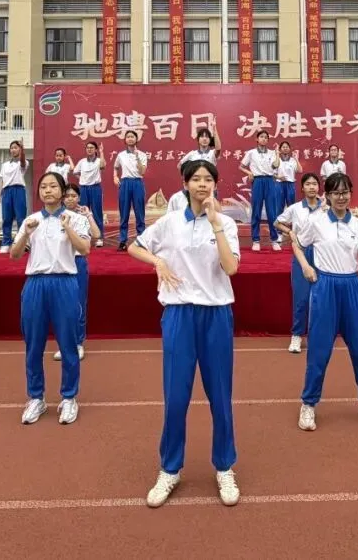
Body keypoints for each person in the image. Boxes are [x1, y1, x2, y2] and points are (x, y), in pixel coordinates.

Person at [129, 160, 242, 508]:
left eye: (208, 179)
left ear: (215, 185)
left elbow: (231, 268)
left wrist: (216, 224)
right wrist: (158, 262)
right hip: (179, 314)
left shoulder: (226, 224)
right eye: (196, 179)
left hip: (216, 314)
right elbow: (134, 246)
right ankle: (170, 468)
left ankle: (224, 466)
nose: (202, 184)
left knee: (220, 396)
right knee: (176, 397)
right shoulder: (170, 222)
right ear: (185, 183)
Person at [292, 172, 358, 431]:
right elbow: (297, 243)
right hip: (325, 287)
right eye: (336, 193)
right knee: (319, 350)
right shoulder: (317, 222)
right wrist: (306, 267)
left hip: (352, 286)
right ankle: (308, 404)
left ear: (350, 193)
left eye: (345, 192)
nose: (341, 197)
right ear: (328, 195)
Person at [13, 171, 91, 426]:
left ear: (62, 190)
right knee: (33, 345)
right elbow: (14, 254)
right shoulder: (31, 219)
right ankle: (36, 397)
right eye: (43, 187)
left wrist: (67, 227)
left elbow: (85, 249)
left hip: (64, 282)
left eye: (53, 186)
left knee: (68, 344)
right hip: (35, 284)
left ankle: (69, 397)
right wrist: (26, 234)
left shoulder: (76, 219)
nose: (47, 190)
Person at [274, 172, 324, 354]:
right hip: (301, 254)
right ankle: (296, 335)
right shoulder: (295, 208)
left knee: (320, 298)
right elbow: (277, 222)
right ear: (302, 188)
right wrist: (290, 232)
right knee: (301, 298)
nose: (312, 187)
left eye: (314, 184)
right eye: (308, 184)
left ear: (319, 187)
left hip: (323, 255)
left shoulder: (326, 207)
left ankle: (316, 335)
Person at [59, 182, 101, 361]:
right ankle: (64, 344)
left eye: (73, 196)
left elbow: (96, 235)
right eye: (67, 196)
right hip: (61, 262)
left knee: (78, 304)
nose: (70, 199)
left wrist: (89, 215)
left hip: (77, 261)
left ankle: (77, 343)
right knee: (62, 305)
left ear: (78, 198)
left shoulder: (82, 217)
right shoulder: (56, 216)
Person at [240, 131, 281, 251]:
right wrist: (249, 173)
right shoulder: (251, 153)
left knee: (272, 212)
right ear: (257, 139)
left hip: (269, 181)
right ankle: (256, 240)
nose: (264, 139)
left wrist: (277, 154)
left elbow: (275, 165)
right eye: (261, 137)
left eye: (266, 137)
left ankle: (274, 240)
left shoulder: (272, 152)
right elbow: (241, 166)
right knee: (256, 211)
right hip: (257, 181)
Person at [114, 131, 149, 251]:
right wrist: (115, 176)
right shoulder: (121, 155)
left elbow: (142, 172)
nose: (130, 139)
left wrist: (137, 156)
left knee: (140, 213)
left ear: (136, 139)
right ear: (125, 140)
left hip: (137, 183)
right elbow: (116, 167)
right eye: (128, 137)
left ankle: (141, 240)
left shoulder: (142, 155)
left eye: (132, 137)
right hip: (125, 183)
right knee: (124, 213)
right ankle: (123, 241)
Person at [0, 140, 30, 254]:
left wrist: (23, 150)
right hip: (7, 191)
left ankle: (21, 242)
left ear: (19, 150)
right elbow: (2, 181)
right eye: (12, 148)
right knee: (6, 218)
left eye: (16, 147)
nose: (13, 150)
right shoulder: (5, 165)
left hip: (19, 190)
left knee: (21, 218)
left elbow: (22, 162)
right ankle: (6, 243)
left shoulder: (23, 162)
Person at [73, 141, 106, 246]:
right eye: (87, 148)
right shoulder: (82, 161)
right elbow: (75, 172)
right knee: (82, 213)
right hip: (83, 189)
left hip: (95, 188)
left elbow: (103, 166)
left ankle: (99, 238)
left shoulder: (99, 160)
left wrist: (101, 152)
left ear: (95, 149)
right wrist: (82, 179)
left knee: (97, 213)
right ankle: (83, 236)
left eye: (92, 148)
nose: (89, 149)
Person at [272, 141, 301, 229]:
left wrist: (296, 159)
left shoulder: (293, 160)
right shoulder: (277, 160)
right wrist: (279, 177)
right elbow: (271, 174)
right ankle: (279, 229)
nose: (285, 148)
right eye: (283, 147)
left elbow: (300, 170)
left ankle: (293, 228)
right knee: (279, 207)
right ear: (280, 149)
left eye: (287, 147)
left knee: (291, 206)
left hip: (290, 185)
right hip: (279, 185)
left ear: (289, 149)